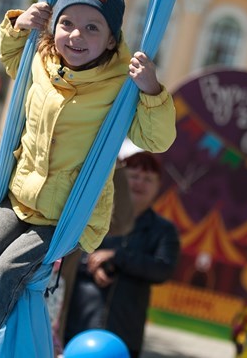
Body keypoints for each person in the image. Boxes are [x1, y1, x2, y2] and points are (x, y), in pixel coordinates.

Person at [0, 0, 176, 358]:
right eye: (67, 24)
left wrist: (152, 91)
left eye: (92, 28)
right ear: (54, 26)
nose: (76, 36)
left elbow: (156, 140)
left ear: (111, 39)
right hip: (20, 196)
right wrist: (18, 25)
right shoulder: (40, 61)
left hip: (63, 213)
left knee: (6, 273)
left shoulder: (121, 85)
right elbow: (11, 58)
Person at [62, 151, 180, 358]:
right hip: (77, 326)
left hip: (125, 334)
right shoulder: (95, 217)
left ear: (158, 186)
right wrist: (93, 262)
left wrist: (118, 257)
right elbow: (67, 255)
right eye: (134, 176)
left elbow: (163, 268)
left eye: (148, 179)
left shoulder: (164, 230)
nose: (139, 183)